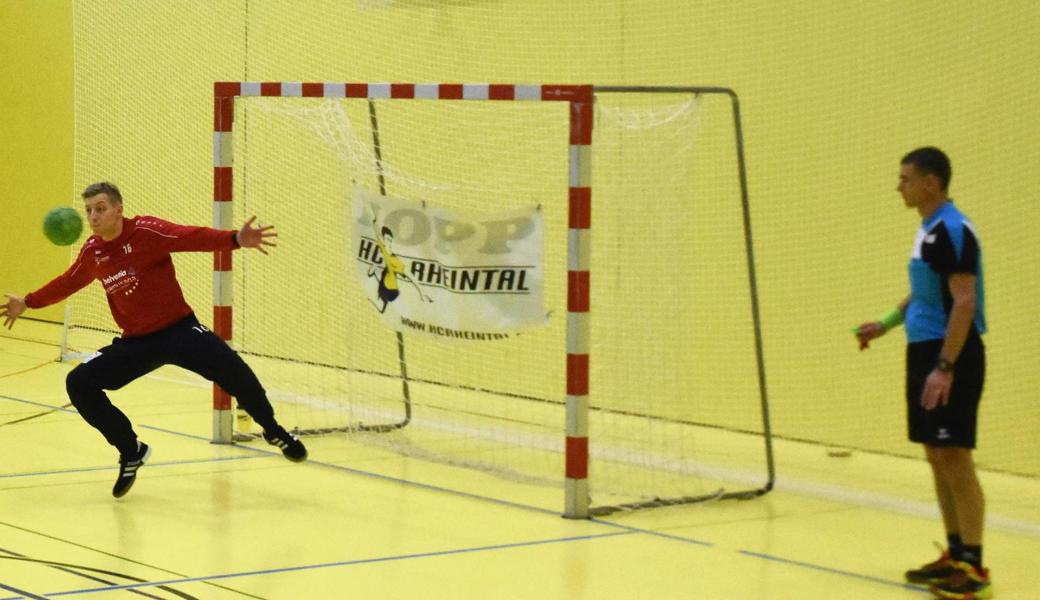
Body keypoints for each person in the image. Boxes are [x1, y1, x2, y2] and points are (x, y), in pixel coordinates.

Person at [1, 182, 307, 498]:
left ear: (119, 209)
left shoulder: (147, 231)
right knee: (79, 382)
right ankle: (130, 448)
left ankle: (272, 430)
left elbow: (191, 237)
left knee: (234, 370)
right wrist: (28, 301)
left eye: (101, 208)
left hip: (179, 330)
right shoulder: (93, 252)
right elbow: (68, 281)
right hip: (137, 344)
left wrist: (235, 240)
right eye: (89, 210)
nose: (93, 216)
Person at [855, 148, 989, 599]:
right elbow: (924, 291)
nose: (899, 186)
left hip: (952, 354)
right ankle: (953, 555)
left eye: (905, 178)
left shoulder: (953, 229)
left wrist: (945, 367)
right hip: (925, 349)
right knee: (936, 453)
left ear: (931, 183)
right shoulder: (929, 230)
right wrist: (886, 323)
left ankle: (973, 571)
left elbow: (964, 302)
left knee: (955, 456)